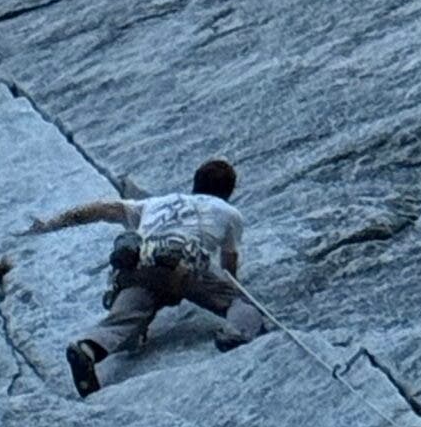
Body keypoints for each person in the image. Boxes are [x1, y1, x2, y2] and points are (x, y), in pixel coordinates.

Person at [28, 157, 270, 398]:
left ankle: (88, 349)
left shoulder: (155, 203)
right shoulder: (228, 212)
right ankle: (237, 336)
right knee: (243, 303)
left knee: (122, 321)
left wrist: (53, 223)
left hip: (138, 265)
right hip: (183, 265)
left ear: (195, 183)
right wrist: (230, 290)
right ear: (229, 191)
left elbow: (101, 208)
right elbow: (229, 264)